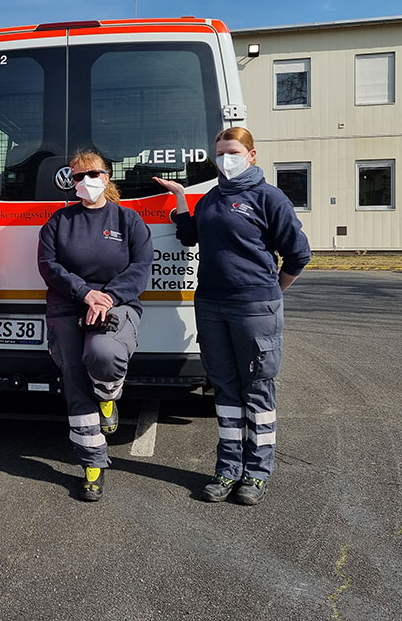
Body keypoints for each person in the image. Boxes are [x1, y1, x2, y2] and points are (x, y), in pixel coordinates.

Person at [155, 127, 310, 506]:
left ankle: (256, 474)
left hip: (255, 307)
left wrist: (273, 291)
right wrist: (179, 198)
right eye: (220, 153)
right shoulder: (210, 199)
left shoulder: (269, 198)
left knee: (257, 388)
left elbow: (298, 254)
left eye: (233, 151)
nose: (226, 159)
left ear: (252, 155)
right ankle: (227, 469)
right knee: (224, 389)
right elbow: (190, 235)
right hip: (210, 305)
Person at [37, 150, 152, 502]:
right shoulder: (59, 222)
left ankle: (108, 396)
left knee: (102, 354)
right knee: (74, 381)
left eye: (93, 174)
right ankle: (92, 465)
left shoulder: (128, 220)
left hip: (117, 306)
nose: (85, 181)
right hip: (67, 306)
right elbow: (48, 265)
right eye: (77, 176)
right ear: (69, 183)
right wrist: (85, 294)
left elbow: (141, 267)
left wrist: (107, 297)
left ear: (107, 176)